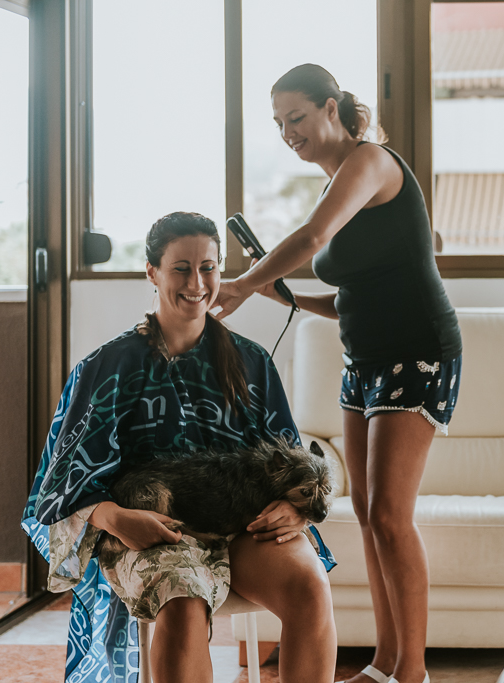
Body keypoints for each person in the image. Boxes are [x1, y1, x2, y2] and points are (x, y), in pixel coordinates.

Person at [215, 64, 462, 683]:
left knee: (389, 516)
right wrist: (282, 298)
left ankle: (414, 673)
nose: (286, 133)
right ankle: (383, 663)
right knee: (368, 511)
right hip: (366, 357)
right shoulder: (334, 183)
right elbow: (355, 294)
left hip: (418, 351)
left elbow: (314, 234)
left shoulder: (370, 161)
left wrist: (245, 283)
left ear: (331, 108)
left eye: (295, 117)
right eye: (277, 124)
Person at [21, 212, 337, 683]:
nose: (197, 282)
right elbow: (61, 483)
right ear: (152, 272)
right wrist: (115, 518)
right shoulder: (108, 366)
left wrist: (297, 510)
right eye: (181, 268)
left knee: (310, 588)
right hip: (148, 527)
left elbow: (294, 463)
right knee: (182, 598)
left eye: (208, 267)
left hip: (242, 527)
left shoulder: (252, 363)